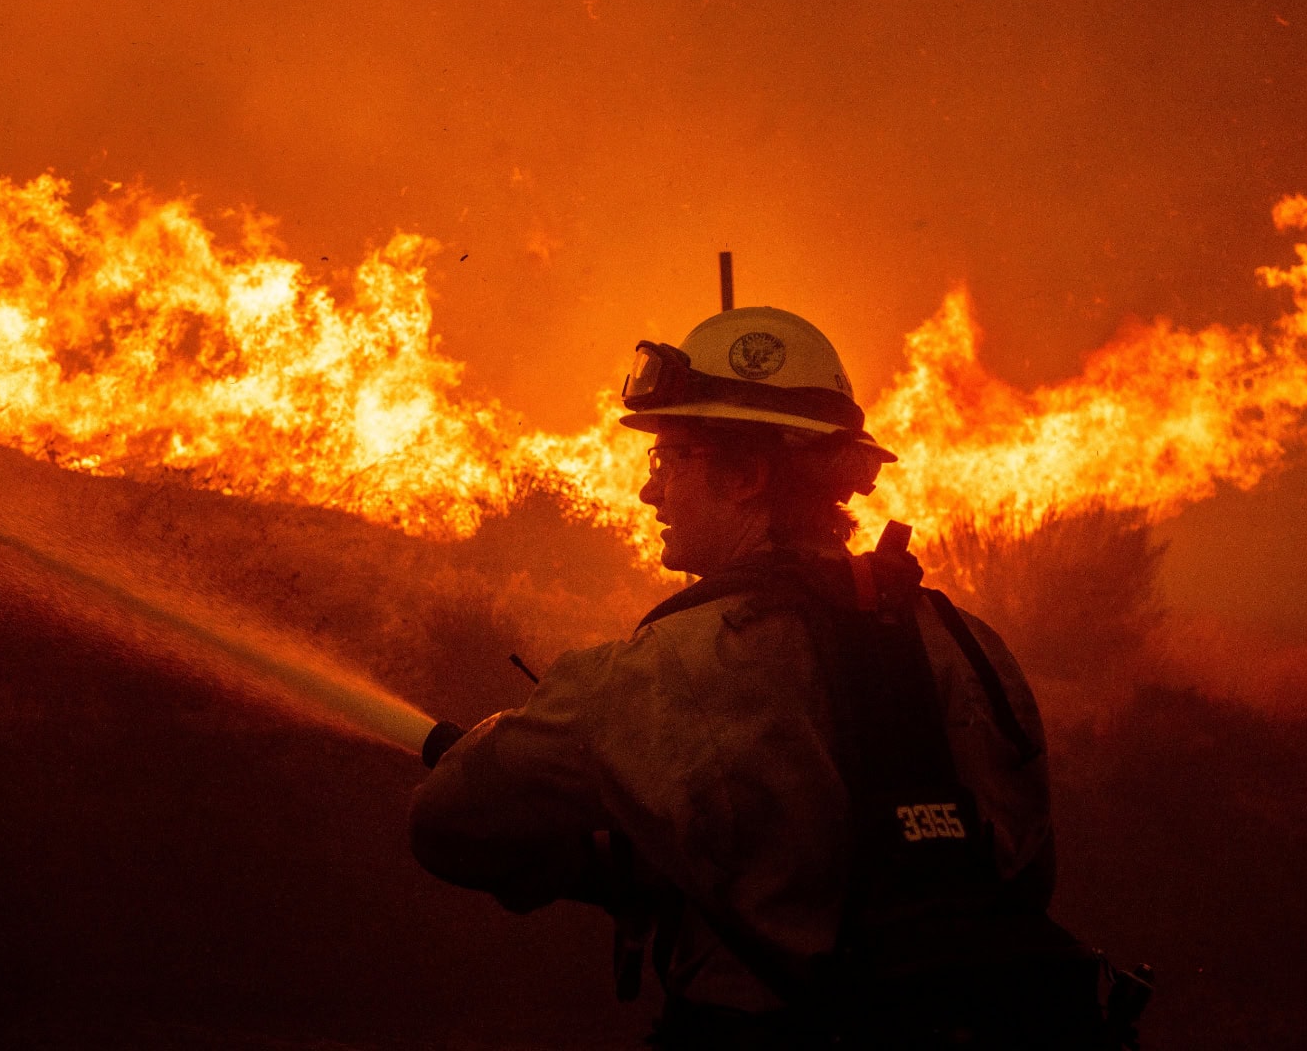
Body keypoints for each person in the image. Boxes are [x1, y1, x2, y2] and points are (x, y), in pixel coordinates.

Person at [410, 307, 1119, 1048]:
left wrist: (617, 872)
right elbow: (1028, 881)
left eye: (670, 459)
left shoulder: (654, 674)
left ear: (745, 475)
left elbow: (446, 825)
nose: (651, 493)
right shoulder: (971, 648)